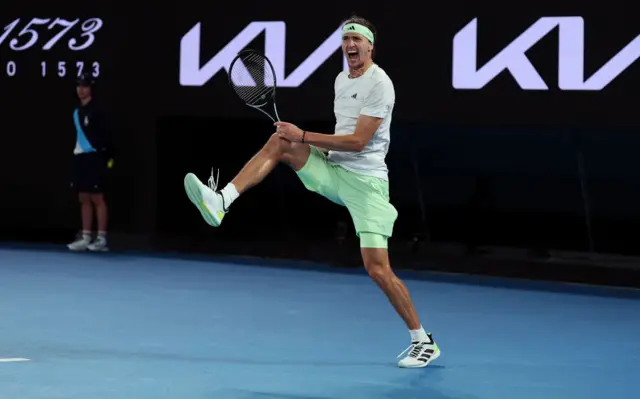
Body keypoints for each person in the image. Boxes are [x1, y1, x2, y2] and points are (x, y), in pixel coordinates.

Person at [183, 15, 440, 368]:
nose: (350, 44)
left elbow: (358, 141)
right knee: (280, 141)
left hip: (367, 185)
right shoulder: (340, 79)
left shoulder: (380, 84)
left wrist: (303, 134)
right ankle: (222, 200)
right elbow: (337, 142)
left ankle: (422, 340)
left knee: (378, 269)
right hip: (334, 170)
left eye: (357, 39)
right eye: (346, 38)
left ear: (370, 47)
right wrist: (298, 139)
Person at [67, 73, 112, 252]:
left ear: (91, 89)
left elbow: (106, 136)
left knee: (97, 198)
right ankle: (86, 237)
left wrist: (105, 157)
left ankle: (101, 238)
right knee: (83, 197)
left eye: (85, 86)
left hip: (95, 157)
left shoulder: (98, 111)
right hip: (80, 157)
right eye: (79, 86)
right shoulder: (77, 111)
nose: (81, 90)